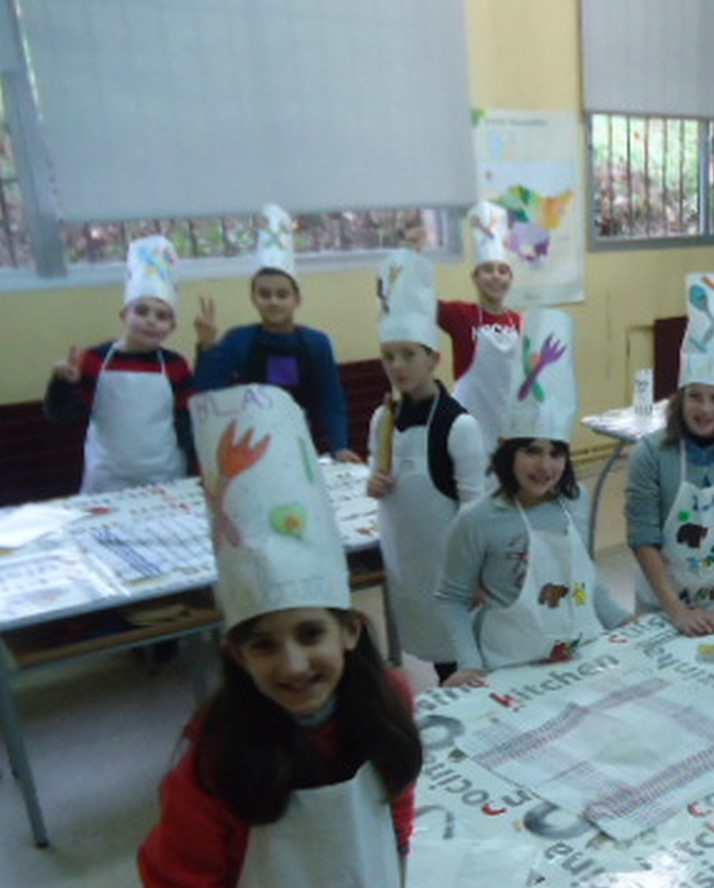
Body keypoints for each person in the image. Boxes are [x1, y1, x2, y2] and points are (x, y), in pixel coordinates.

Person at [139, 384, 481, 888]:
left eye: (309, 634)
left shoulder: (386, 705)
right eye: (263, 645)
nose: (292, 664)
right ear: (235, 654)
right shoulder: (215, 761)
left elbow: (392, 829)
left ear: (350, 630)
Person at [436, 309, 627, 684]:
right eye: (532, 451)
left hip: (577, 657)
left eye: (556, 453)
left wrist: (623, 621)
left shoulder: (576, 501)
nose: (545, 465)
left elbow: (585, 582)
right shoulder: (478, 519)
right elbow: (452, 599)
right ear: (508, 453)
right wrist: (468, 663)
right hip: (508, 666)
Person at [365, 249, 488, 683]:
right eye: (389, 356)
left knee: (469, 660)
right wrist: (374, 483)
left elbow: (475, 509)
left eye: (408, 354)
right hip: (413, 566)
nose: (397, 366)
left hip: (453, 569)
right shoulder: (382, 419)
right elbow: (376, 475)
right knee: (442, 660)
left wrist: (475, 575)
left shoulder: (459, 426)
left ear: (433, 359)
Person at [627, 273, 714, 633]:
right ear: (680, 398)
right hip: (661, 604)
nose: (705, 409)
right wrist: (677, 611)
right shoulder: (649, 453)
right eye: (695, 397)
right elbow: (643, 537)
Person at [193, 205, 358, 461]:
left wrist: (340, 446)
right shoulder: (239, 340)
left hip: (305, 448)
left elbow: (332, 401)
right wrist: (207, 347)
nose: (273, 301)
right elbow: (210, 394)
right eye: (264, 294)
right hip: (253, 451)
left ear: (297, 299)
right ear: (253, 298)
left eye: (282, 294)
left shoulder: (317, 343)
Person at [45, 236, 195, 493]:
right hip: (107, 480)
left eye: (161, 316)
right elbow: (61, 415)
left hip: (165, 477)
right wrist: (62, 383)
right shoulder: (95, 360)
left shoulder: (176, 366)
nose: (150, 321)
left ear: (172, 327)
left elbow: (186, 422)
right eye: (141, 311)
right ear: (124, 314)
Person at [438, 201, 524, 447]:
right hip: (467, 427)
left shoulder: (519, 322)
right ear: (475, 277)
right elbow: (422, 302)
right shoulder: (460, 315)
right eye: (487, 270)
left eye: (502, 271)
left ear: (510, 278)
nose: (496, 276)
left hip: (508, 428)